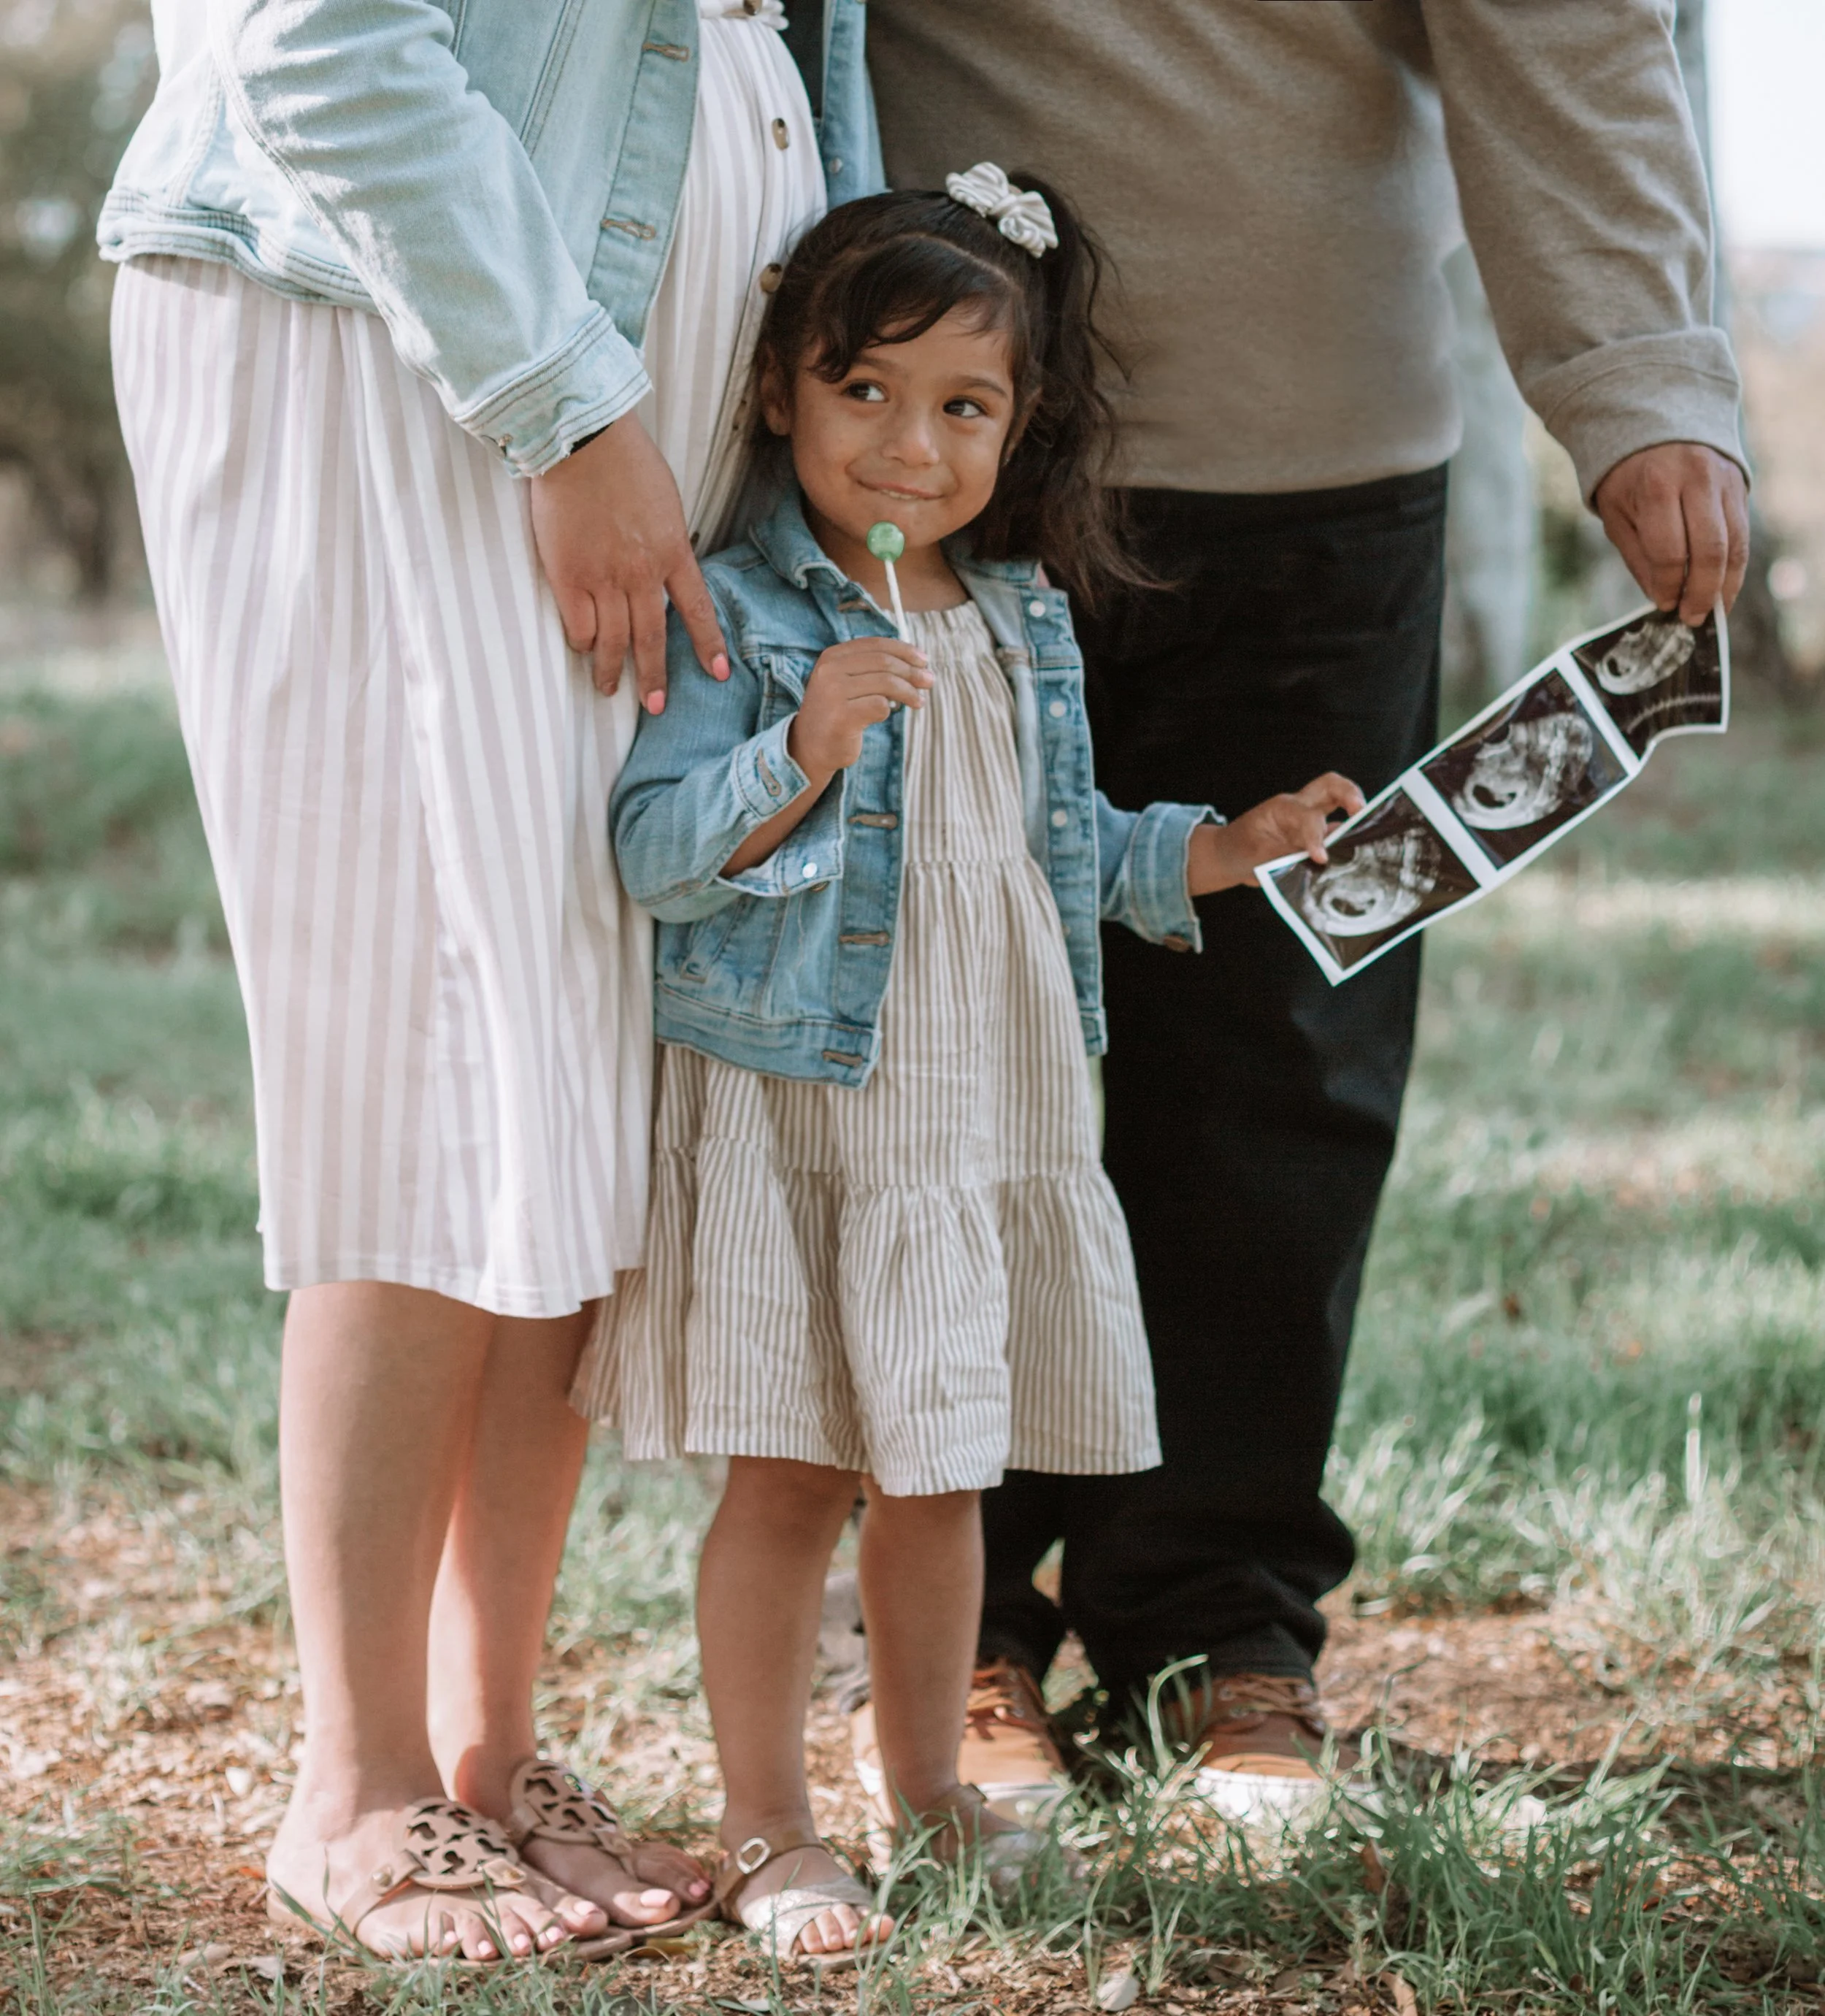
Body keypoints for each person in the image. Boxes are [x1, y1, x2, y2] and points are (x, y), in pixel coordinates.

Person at [864, 1, 1752, 1817]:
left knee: (1281, 1063)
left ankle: (1216, 1626)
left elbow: (1564, 35)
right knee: (932, 1061)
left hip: (1314, 482)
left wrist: (1641, 376)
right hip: (924, 473)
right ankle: (950, 1626)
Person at [99, 0, 877, 1963]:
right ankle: (349, 1786)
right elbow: (322, 37)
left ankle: (481, 1748)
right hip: (389, 357)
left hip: (586, 403)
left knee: (561, 1083)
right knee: (430, 1041)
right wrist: (567, 400)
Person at [569, 170, 1362, 1960]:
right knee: (788, 1480)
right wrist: (796, 737)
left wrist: (1234, 849)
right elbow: (649, 852)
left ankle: (925, 1788)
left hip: (978, 1113)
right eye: (864, 389)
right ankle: (768, 1823)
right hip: (804, 1116)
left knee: (944, 1476)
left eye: (962, 405)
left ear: (1018, 426)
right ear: (780, 387)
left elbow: (1061, 848)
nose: (908, 445)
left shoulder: (1018, 621)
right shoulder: (740, 610)